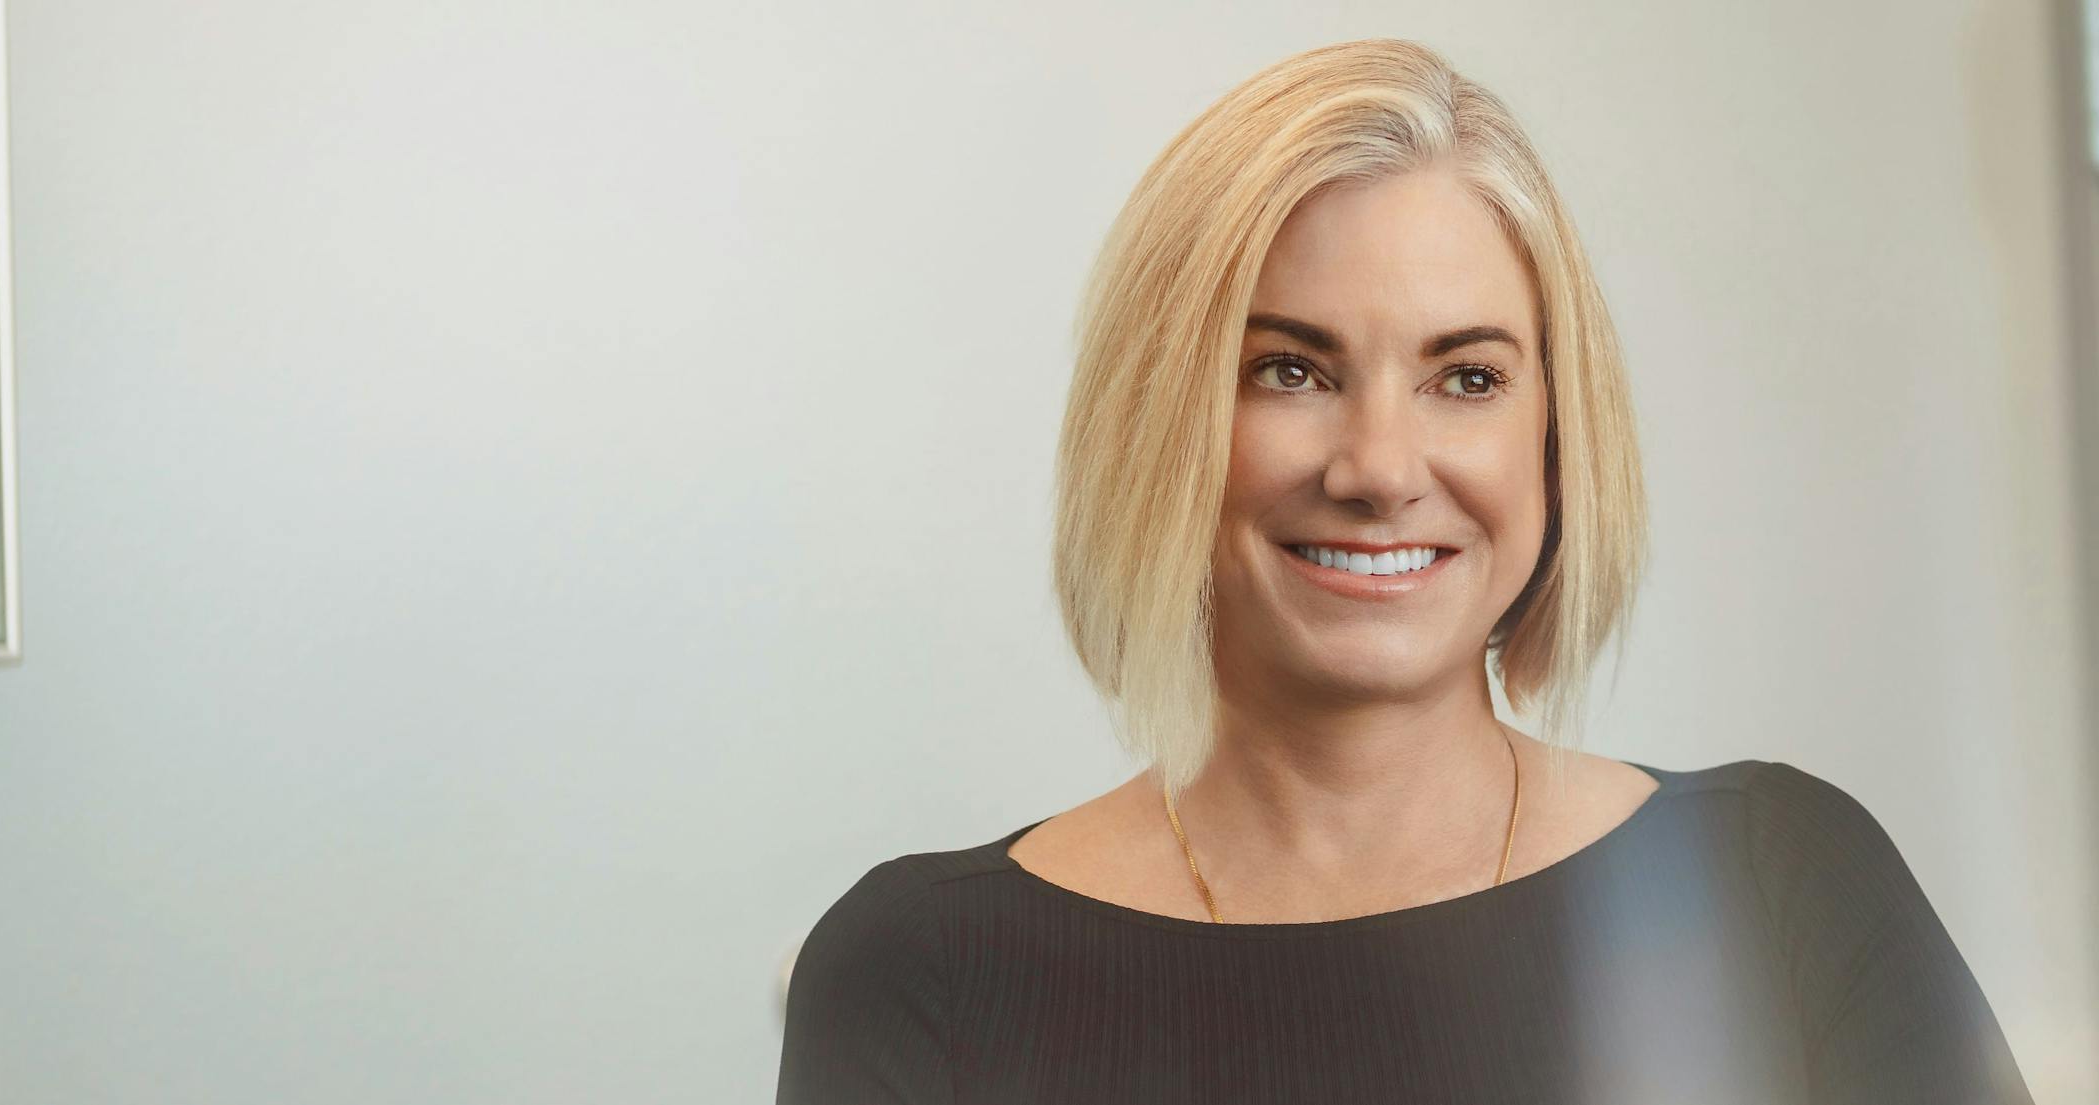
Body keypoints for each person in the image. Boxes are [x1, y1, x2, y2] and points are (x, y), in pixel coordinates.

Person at [774, 38, 2035, 1105]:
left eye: (1466, 377)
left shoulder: (1782, 880)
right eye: (1289, 368)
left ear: (1555, 431)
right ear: (1156, 422)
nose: (1380, 467)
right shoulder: (918, 968)